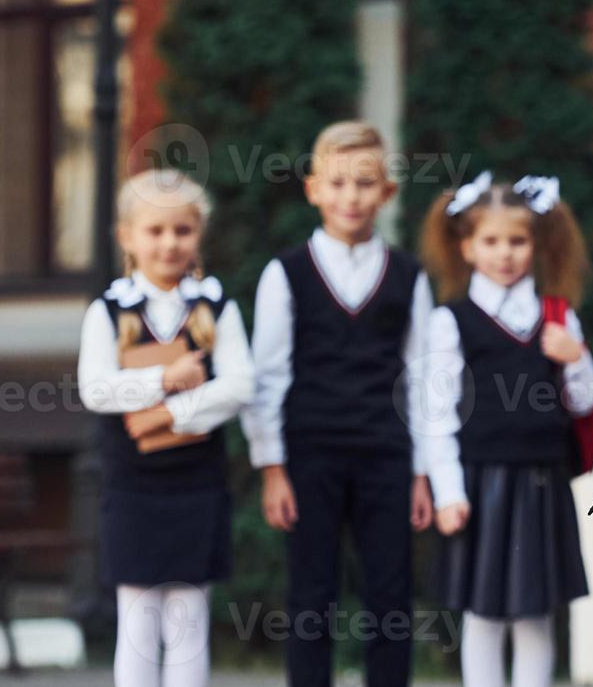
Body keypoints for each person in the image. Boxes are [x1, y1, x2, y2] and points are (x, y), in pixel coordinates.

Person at [241, 120, 436, 687]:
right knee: (311, 596)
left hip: (386, 456)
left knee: (390, 598)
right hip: (310, 456)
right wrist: (272, 468)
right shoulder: (287, 274)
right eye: (338, 183)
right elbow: (267, 375)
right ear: (313, 189)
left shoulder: (408, 276)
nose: (351, 196)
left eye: (365, 183)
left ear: (387, 193)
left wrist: (422, 472)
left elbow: (422, 381)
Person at [77, 168, 256, 687]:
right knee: (137, 619)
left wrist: (171, 413)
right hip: (132, 485)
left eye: (182, 230)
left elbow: (241, 386)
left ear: (199, 233)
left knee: (188, 618)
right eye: (155, 231)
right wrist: (165, 378)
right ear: (127, 237)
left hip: (196, 484)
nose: (169, 243)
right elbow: (96, 389)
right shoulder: (107, 311)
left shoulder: (217, 306)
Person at [420, 172, 593, 687]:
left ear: (535, 245)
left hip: (541, 482)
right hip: (479, 485)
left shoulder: (558, 318)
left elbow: (585, 401)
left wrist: (577, 356)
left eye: (517, 241)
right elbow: (436, 417)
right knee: (483, 614)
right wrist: (448, 492)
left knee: (536, 614)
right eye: (491, 241)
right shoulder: (450, 320)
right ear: (467, 247)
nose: (505, 254)